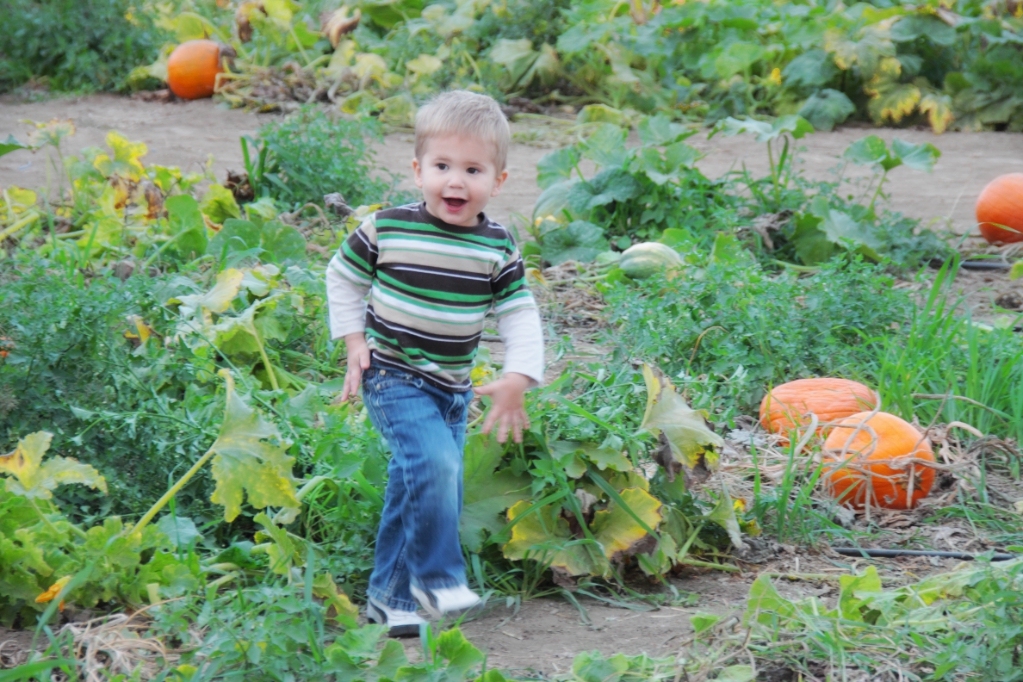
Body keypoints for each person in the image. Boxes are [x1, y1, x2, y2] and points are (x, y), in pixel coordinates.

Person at [326, 90, 544, 637]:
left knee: (415, 483)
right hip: (392, 374)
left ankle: (389, 598)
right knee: (439, 470)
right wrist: (354, 340)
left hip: (452, 389)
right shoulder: (388, 228)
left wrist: (519, 376)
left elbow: (520, 316)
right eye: (443, 166)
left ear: (498, 180)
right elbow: (342, 277)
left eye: (473, 169)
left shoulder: (497, 247)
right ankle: (439, 580)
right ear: (418, 169)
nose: (455, 182)